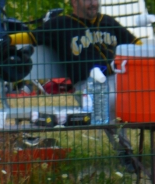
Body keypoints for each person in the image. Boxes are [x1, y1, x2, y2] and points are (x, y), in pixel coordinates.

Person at [11, 0, 143, 172]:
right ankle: (126, 154)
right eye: (87, 0)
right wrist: (8, 39)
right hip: (87, 85)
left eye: (95, 0)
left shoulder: (108, 22)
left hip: (117, 79)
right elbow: (31, 37)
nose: (93, 3)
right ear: (74, 2)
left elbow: (136, 43)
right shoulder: (61, 24)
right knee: (105, 103)